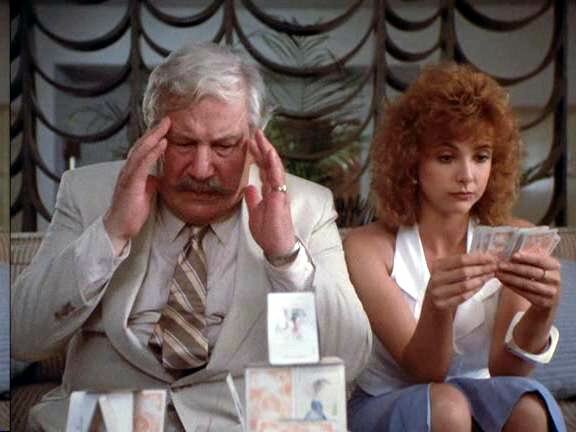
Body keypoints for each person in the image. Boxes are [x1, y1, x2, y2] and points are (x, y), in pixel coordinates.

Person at [12, 42, 372, 431]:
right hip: (109, 421)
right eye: (183, 143)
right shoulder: (89, 194)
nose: (201, 170)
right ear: (153, 136)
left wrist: (285, 255)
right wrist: (112, 231)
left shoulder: (304, 207)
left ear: (255, 142)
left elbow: (350, 356)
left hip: (241, 422)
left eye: (224, 146)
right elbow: (23, 337)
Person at [344, 63, 566, 432]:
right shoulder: (367, 247)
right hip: (388, 399)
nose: (467, 175)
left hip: (476, 396)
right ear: (411, 162)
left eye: (481, 156)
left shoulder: (516, 237)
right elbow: (424, 372)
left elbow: (506, 372)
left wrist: (544, 311)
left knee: (528, 405)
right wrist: (438, 305)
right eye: (446, 157)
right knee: (447, 405)